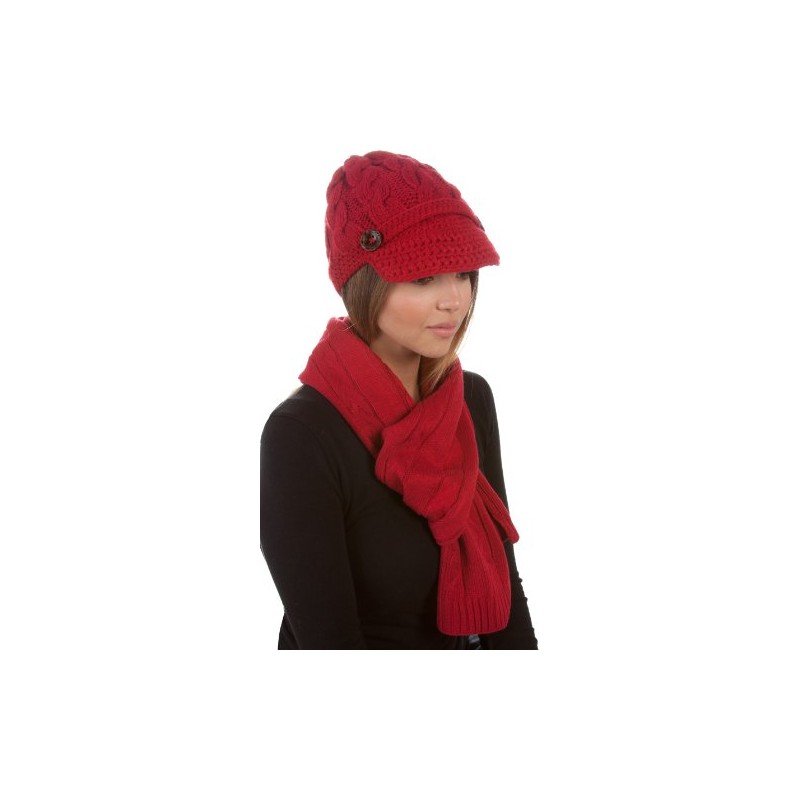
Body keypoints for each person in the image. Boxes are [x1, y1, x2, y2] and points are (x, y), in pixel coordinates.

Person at [260, 151, 538, 649]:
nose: (454, 300)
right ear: (363, 283)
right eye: (424, 277)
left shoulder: (470, 399)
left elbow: (506, 588)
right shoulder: (302, 434)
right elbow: (328, 645)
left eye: (463, 273)